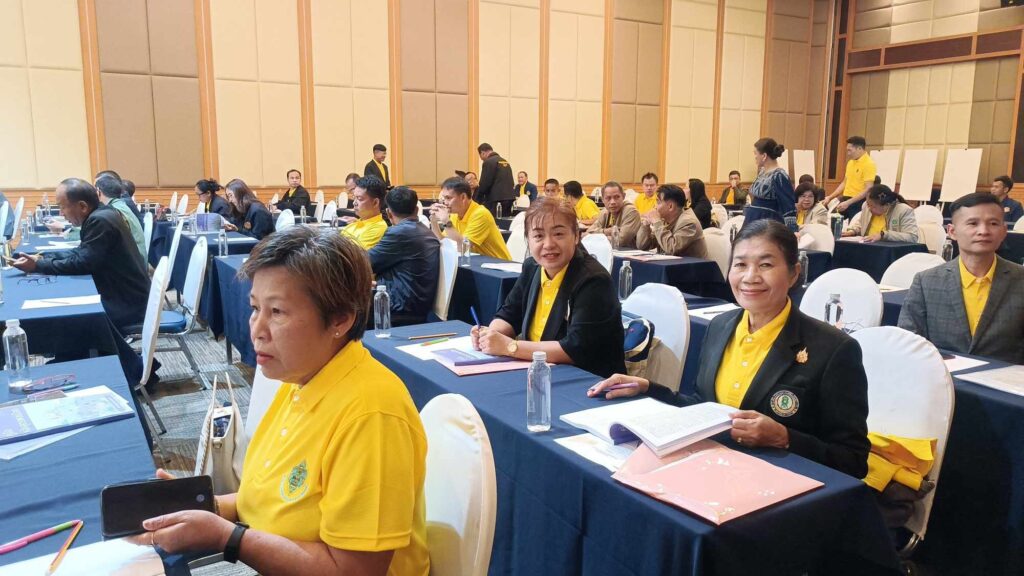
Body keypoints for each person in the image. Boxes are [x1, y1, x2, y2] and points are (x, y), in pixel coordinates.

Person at [142, 227, 429, 575]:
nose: (257, 329)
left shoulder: (371, 416)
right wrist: (205, 509)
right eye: (254, 308)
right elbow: (268, 500)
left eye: (277, 312)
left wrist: (226, 537)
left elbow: (354, 571)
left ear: (340, 319)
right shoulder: (301, 376)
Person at [589, 220, 870, 478]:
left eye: (766, 265)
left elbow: (853, 460)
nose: (750, 277)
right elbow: (704, 408)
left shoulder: (833, 349)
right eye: (740, 265)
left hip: (779, 486)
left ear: (794, 273)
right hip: (712, 471)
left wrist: (784, 438)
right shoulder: (721, 327)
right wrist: (648, 388)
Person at [475, 197, 625, 377]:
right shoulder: (532, 267)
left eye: (558, 234)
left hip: (587, 379)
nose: (548, 244)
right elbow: (509, 314)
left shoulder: (593, 280)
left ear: (576, 236)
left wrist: (509, 346)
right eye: (538, 236)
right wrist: (490, 335)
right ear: (528, 240)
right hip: (539, 371)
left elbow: (574, 349)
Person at [899, 192, 1024, 364]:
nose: (983, 231)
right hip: (943, 377)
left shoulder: (1020, 280)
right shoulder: (926, 282)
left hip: (1007, 379)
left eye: (993, 223)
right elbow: (908, 342)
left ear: (1003, 232)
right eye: (973, 223)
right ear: (952, 231)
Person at [13, 179, 149, 335]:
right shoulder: (101, 214)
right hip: (125, 296)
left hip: (126, 304)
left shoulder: (100, 220)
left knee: (62, 318)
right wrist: (42, 257)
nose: (61, 213)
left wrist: (38, 266)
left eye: (62, 207)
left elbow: (83, 263)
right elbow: (81, 253)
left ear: (83, 206)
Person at [368, 187, 441, 326]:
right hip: (414, 304)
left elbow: (367, 262)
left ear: (388, 213)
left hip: (399, 307)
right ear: (417, 210)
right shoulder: (425, 231)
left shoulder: (399, 233)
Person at [429, 177, 511, 260]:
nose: (445, 203)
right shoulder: (455, 214)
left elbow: (463, 248)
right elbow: (443, 242)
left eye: (448, 198)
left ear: (463, 197)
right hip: (476, 261)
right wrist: (433, 221)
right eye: (444, 198)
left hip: (499, 263)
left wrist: (446, 221)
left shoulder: (480, 214)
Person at [636, 184, 708, 258]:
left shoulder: (689, 223)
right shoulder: (665, 220)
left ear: (670, 206)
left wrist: (656, 221)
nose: (655, 206)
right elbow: (642, 246)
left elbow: (671, 248)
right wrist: (645, 225)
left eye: (658, 202)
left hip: (690, 265)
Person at [842, 184, 919, 243]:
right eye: (868, 204)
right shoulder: (866, 206)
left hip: (888, 252)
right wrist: (853, 231)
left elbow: (912, 237)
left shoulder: (903, 210)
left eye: (873, 206)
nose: (869, 208)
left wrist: (883, 235)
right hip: (866, 246)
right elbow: (861, 224)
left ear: (887, 205)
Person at [746, 138, 796, 226]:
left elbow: (788, 205)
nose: (755, 157)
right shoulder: (762, 172)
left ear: (764, 156)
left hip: (767, 223)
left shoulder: (779, 175)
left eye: (755, 153)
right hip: (753, 219)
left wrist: (792, 228)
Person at [95, 176, 147, 262]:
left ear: (98, 192)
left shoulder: (113, 211)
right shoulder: (120, 205)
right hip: (137, 260)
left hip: (132, 264)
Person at [825, 136, 876, 218]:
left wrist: (849, 202)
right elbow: (844, 183)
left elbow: (868, 188)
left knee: (852, 224)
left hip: (858, 201)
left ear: (859, 148)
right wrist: (830, 197)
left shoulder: (869, 164)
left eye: (850, 150)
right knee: (834, 220)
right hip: (846, 199)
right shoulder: (850, 163)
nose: (848, 153)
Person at [587, 181, 641, 249]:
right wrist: (607, 231)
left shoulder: (631, 211)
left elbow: (620, 241)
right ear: (603, 199)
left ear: (623, 196)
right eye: (608, 198)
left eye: (617, 197)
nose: (612, 202)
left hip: (629, 252)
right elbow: (588, 233)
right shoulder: (605, 212)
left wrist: (597, 236)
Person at [340, 175, 388, 250]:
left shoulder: (378, 228)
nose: (354, 203)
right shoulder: (354, 223)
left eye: (359, 199)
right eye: (354, 198)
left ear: (375, 202)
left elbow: (353, 254)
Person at [475, 143, 515, 216]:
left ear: (482, 153)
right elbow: (511, 181)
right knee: (505, 220)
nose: (481, 159)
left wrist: (477, 199)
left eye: (480, 156)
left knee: (495, 221)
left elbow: (484, 183)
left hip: (496, 200)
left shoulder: (488, 162)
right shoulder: (505, 161)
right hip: (510, 198)